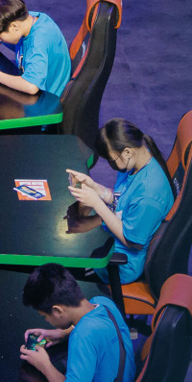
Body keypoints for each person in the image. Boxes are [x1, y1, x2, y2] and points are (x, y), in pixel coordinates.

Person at [18, 262, 135, 382]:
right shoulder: (104, 304)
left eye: (45, 316)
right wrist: (61, 333)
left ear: (57, 311)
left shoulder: (83, 336)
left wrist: (44, 365)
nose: (46, 321)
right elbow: (92, 328)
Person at [65, 118, 176, 287]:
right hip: (110, 241)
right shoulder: (135, 164)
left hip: (121, 263)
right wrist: (96, 188)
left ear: (127, 152)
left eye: (112, 160)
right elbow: (123, 200)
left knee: (60, 265)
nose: (112, 166)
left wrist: (97, 204)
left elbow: (133, 242)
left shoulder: (148, 195)